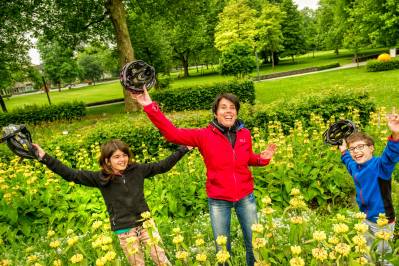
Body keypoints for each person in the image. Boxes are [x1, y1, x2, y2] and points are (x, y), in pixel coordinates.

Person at [132, 89, 277, 266]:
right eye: (223, 107)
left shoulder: (244, 134)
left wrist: (262, 159)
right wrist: (149, 105)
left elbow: (246, 159)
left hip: (246, 196)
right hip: (219, 200)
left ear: (237, 112)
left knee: (255, 243)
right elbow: (172, 133)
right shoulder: (203, 136)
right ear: (215, 113)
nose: (228, 111)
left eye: (232, 107)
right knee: (222, 249)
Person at [32, 140, 191, 266]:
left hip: (146, 224)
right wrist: (44, 157)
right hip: (124, 229)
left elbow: (163, 166)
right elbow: (71, 174)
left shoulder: (137, 170)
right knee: (137, 263)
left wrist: (183, 149)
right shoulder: (100, 178)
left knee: (161, 259)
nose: (122, 159)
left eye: (124, 155)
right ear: (107, 160)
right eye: (116, 157)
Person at [338, 114, 399, 265]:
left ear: (371, 148)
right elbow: (347, 161)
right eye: (353, 149)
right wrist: (344, 151)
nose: (356, 151)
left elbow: (391, 154)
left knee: (383, 256)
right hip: (365, 218)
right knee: (366, 252)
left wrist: (396, 134)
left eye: (360, 147)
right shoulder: (355, 167)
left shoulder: (381, 166)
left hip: (382, 221)